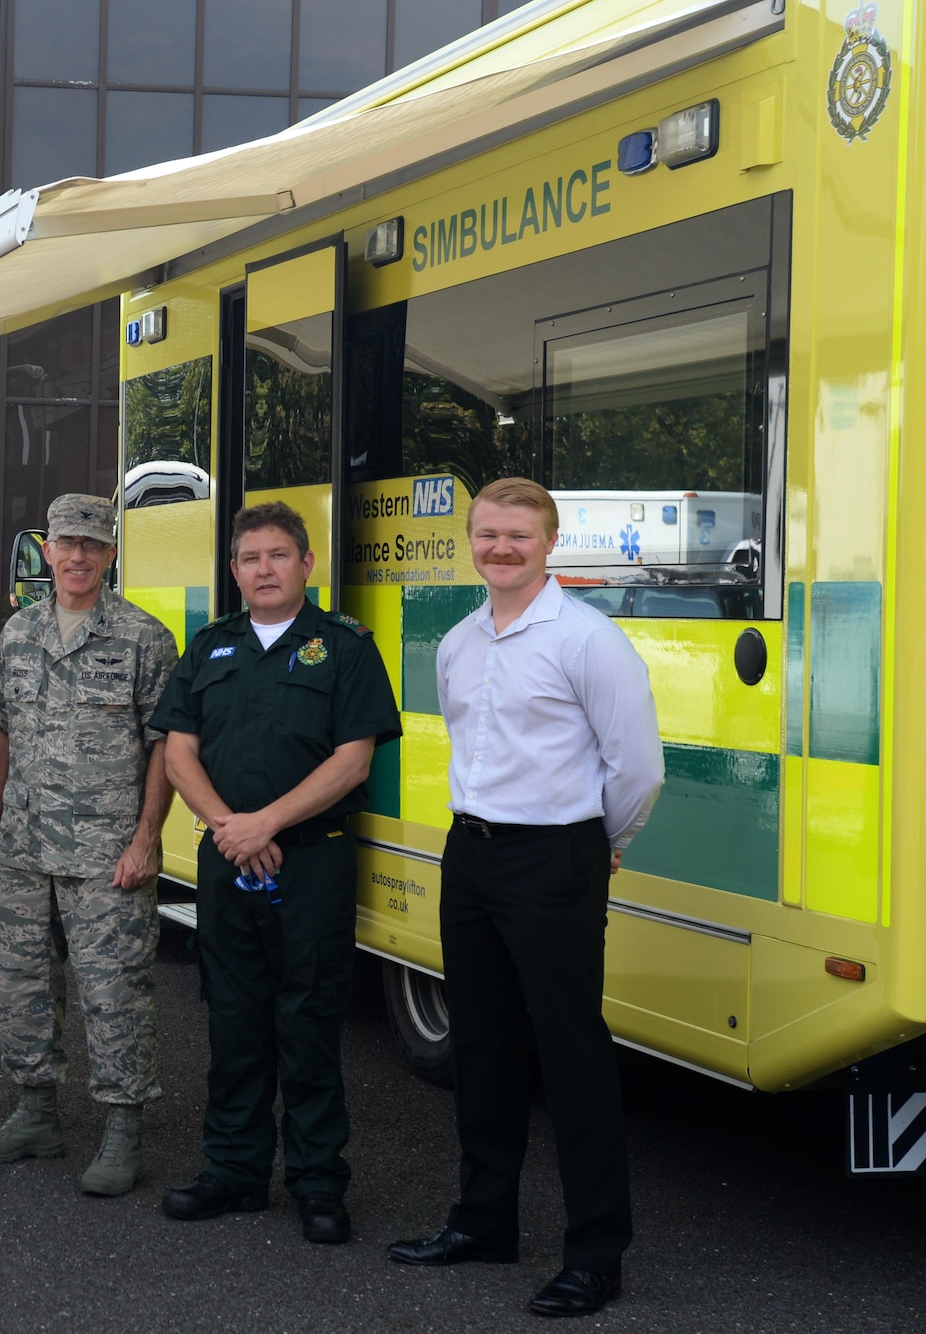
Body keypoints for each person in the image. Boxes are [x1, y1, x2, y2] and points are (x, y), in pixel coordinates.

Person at [388, 478, 662, 1318]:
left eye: (518, 535)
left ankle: (595, 1253)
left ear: (548, 543)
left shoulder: (588, 640)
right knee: (482, 1046)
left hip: (556, 858)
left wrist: (602, 844)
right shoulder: (461, 640)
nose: (501, 548)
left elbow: (638, 767)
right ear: (471, 541)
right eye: (488, 535)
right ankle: (483, 1222)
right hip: (470, 855)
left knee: (571, 1054)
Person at [150, 501, 400, 1244]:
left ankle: (319, 1183)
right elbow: (178, 751)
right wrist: (232, 826)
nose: (264, 569)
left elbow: (353, 759)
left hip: (312, 860)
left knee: (310, 1022)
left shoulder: (346, 648)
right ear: (234, 571)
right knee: (233, 1020)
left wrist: (268, 822)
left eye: (278, 556)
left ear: (306, 564)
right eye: (250, 558)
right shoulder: (210, 646)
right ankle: (233, 1171)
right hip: (228, 860)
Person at [0, 494, 177, 1197]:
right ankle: (36, 1114)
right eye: (67, 543)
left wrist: (148, 838)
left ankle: (122, 1128)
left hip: (107, 850)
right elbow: (1, 732)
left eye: (93, 544)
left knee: (116, 992)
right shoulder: (17, 633)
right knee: (22, 986)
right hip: (27, 842)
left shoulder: (144, 638)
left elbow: (163, 748)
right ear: (47, 551)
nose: (78, 556)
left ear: (111, 554)